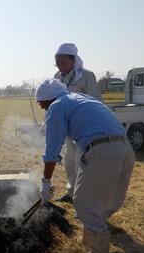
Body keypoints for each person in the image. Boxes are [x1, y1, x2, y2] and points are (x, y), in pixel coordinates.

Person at [36, 79, 135, 253]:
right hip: (125, 148)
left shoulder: (57, 106)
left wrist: (46, 183)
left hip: (102, 151)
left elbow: (51, 151)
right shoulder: (79, 99)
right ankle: (90, 241)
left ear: (48, 98)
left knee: (83, 201)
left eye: (41, 102)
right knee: (104, 200)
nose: (41, 107)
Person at [53, 43, 102, 203]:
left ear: (73, 60)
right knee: (70, 163)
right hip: (68, 128)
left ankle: (85, 200)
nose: (60, 66)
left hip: (85, 130)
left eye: (63, 62)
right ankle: (71, 193)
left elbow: (96, 103)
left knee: (85, 165)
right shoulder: (57, 77)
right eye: (57, 63)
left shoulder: (87, 76)